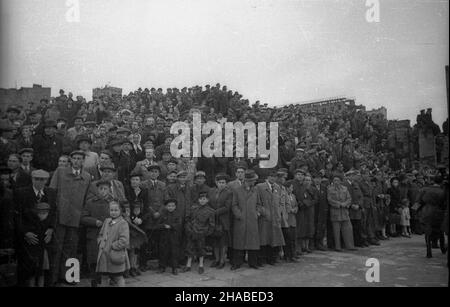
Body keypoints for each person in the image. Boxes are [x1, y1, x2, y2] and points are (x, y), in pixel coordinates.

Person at [49, 150, 91, 285]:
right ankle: (53, 279)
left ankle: (68, 277)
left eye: (80, 159)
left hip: (76, 218)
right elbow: (52, 193)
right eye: (74, 158)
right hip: (60, 216)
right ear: (71, 160)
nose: (77, 161)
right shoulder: (60, 172)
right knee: (57, 248)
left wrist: (82, 215)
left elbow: (86, 198)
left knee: (71, 248)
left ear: (83, 161)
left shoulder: (87, 176)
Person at [80, 180, 112, 287]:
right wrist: (95, 222)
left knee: (107, 258)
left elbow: (119, 216)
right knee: (94, 259)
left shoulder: (113, 203)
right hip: (93, 235)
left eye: (105, 189)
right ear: (97, 190)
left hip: (108, 236)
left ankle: (105, 281)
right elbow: (83, 218)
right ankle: (94, 281)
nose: (103, 191)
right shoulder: (90, 203)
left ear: (109, 190)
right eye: (100, 189)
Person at [231, 170, 261, 270]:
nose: (254, 182)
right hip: (241, 220)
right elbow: (234, 205)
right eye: (253, 180)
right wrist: (239, 215)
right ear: (248, 181)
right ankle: (237, 263)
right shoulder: (237, 190)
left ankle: (253, 262)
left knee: (252, 241)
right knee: (239, 241)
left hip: (252, 220)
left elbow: (259, 204)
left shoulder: (256, 190)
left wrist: (257, 213)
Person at [96, 201, 130, 287]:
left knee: (118, 277)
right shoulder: (107, 221)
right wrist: (100, 242)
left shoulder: (123, 223)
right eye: (111, 210)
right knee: (104, 276)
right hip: (104, 255)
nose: (113, 212)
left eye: (116, 210)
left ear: (121, 211)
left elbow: (124, 240)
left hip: (115, 254)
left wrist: (113, 246)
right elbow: (101, 234)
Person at [20, 202, 53, 287]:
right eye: (41, 213)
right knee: (32, 274)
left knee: (41, 273)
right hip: (33, 252)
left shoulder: (47, 223)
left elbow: (51, 228)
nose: (43, 215)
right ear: (36, 212)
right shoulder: (31, 222)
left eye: (45, 213)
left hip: (42, 251)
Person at [256, 170, 285, 265]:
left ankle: (272, 259)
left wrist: (279, 212)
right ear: (267, 177)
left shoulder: (277, 187)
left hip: (275, 218)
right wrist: (264, 212)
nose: (273, 178)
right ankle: (261, 259)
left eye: (275, 176)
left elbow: (280, 202)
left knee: (274, 239)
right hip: (265, 218)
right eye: (271, 176)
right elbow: (257, 203)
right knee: (263, 239)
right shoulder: (260, 187)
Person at [183, 191, 215, 274]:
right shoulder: (193, 208)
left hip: (201, 233)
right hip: (192, 232)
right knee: (189, 248)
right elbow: (188, 219)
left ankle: (201, 265)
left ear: (207, 200)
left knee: (201, 249)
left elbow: (211, 224)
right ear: (198, 200)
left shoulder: (210, 211)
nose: (202, 201)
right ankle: (188, 265)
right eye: (200, 199)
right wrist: (189, 229)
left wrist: (206, 232)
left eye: (204, 199)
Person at [327, 175, 357, 252]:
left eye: (337, 180)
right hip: (335, 211)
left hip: (344, 212)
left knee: (348, 229)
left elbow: (349, 198)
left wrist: (345, 204)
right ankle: (337, 247)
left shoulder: (345, 188)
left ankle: (350, 245)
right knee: (336, 231)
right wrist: (338, 204)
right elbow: (329, 199)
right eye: (334, 180)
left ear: (340, 181)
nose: (336, 182)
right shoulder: (329, 189)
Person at [209, 173, 233, 269]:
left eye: (223, 182)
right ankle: (217, 259)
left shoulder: (229, 193)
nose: (221, 184)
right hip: (213, 220)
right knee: (215, 241)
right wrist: (211, 212)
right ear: (216, 183)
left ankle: (222, 260)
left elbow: (227, 207)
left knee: (223, 242)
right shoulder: (211, 191)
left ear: (226, 183)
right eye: (220, 182)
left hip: (223, 220)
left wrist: (215, 212)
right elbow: (208, 203)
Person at [156, 199, 181, 275]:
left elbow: (179, 224)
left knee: (174, 252)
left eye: (172, 206)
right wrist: (163, 226)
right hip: (164, 236)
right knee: (163, 251)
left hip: (174, 236)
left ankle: (174, 268)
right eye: (169, 206)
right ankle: (162, 267)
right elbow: (158, 225)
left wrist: (171, 226)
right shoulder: (163, 214)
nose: (171, 207)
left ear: (175, 206)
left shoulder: (177, 215)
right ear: (166, 206)